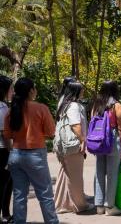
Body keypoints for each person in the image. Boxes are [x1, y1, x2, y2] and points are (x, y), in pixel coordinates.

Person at [3, 78, 59, 224]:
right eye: (34, 88)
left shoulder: (11, 111)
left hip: (15, 155)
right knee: (45, 194)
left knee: (19, 194)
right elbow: (51, 131)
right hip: (36, 156)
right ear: (30, 91)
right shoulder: (41, 108)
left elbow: (7, 135)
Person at [54, 81, 94, 213]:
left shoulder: (64, 104)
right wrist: (83, 140)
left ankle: (62, 204)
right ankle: (79, 205)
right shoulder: (74, 106)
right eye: (81, 90)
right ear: (76, 91)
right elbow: (75, 125)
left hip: (64, 145)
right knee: (75, 176)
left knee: (66, 174)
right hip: (73, 145)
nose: (83, 92)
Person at [92, 81, 121, 215]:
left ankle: (99, 206)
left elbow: (93, 122)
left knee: (99, 172)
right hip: (112, 139)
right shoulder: (117, 105)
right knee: (112, 174)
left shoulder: (97, 105)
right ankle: (110, 207)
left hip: (98, 140)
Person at [0, 75, 13, 223]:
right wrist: (11, 151)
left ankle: (5, 213)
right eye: (10, 89)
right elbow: (4, 134)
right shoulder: (2, 108)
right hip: (2, 150)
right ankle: (5, 214)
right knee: (5, 183)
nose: (13, 92)